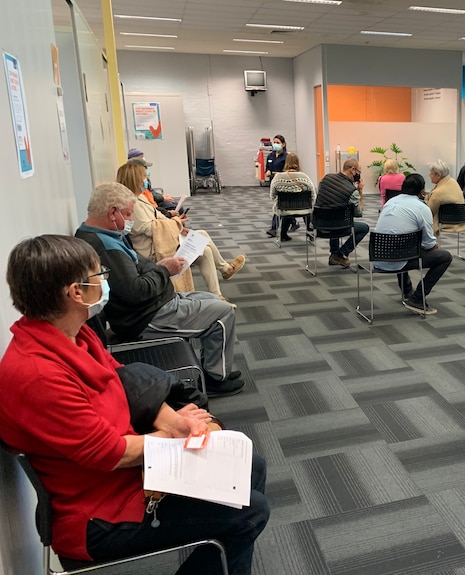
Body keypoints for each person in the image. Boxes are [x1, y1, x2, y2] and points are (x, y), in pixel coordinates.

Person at [0, 234, 269, 574]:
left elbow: (123, 380)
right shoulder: (36, 375)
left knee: (250, 467)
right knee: (250, 511)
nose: (105, 282)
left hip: (129, 475)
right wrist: (175, 436)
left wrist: (169, 418)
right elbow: (110, 454)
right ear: (76, 292)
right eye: (100, 276)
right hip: (100, 515)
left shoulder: (72, 334)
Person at [75, 182, 244, 396]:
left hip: (154, 305)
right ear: (112, 213)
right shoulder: (105, 247)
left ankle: (213, 369)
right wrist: (163, 271)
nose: (130, 220)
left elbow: (140, 269)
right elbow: (136, 291)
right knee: (224, 312)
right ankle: (214, 380)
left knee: (213, 300)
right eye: (128, 214)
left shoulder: (105, 237)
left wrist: (159, 269)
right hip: (147, 317)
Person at [118, 163, 245, 305]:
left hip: (160, 240)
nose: (146, 180)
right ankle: (222, 277)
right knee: (204, 248)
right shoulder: (133, 204)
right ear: (135, 179)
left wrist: (177, 225)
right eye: (144, 177)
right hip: (154, 249)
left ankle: (220, 283)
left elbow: (158, 217)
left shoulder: (140, 197)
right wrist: (176, 223)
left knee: (201, 238)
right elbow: (150, 228)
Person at [374, 173, 453, 316]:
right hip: (398, 260)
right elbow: (429, 244)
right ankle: (417, 298)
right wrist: (434, 246)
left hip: (378, 257)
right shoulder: (422, 208)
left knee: (404, 245)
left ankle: (407, 291)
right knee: (445, 257)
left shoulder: (390, 202)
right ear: (422, 191)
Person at [315, 158, 368, 268]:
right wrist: (360, 191)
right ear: (352, 170)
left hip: (319, 225)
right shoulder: (352, 191)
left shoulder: (325, 179)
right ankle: (340, 254)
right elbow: (359, 213)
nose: (359, 175)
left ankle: (334, 253)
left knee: (333, 215)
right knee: (364, 228)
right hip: (340, 227)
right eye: (358, 172)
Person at [270, 152, 315, 242]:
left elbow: (272, 195)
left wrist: (280, 201)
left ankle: (283, 234)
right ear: (298, 163)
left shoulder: (278, 177)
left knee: (287, 208)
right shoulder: (304, 177)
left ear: (286, 163)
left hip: (284, 209)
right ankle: (310, 233)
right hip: (304, 209)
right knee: (305, 208)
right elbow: (313, 195)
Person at [425, 160, 465, 235]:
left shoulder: (438, 192)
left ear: (438, 175)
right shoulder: (453, 181)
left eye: (431, 173)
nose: (429, 175)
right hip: (461, 219)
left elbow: (429, 212)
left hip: (448, 222)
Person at [265, 135, 288, 238]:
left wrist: (278, 173)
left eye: (278, 142)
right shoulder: (270, 156)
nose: (276, 144)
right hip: (273, 183)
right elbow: (267, 169)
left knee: (279, 204)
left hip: (283, 183)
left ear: (283, 144)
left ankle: (274, 228)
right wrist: (268, 172)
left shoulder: (287, 157)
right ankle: (293, 221)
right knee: (282, 205)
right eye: (274, 142)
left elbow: (288, 171)